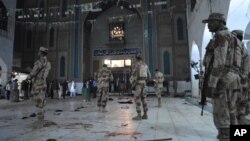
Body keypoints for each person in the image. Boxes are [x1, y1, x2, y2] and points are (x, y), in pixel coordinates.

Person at [202, 13, 242, 141]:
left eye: (211, 22)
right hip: (234, 79)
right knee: (232, 113)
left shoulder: (221, 36)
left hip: (222, 79)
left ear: (219, 22)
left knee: (221, 114)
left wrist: (213, 83)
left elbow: (219, 62)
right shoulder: (234, 38)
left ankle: (224, 138)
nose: (208, 25)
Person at [26, 46, 51, 129]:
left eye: (39, 52)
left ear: (41, 53)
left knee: (38, 102)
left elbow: (34, 71)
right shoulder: (48, 63)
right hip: (43, 83)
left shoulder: (39, 62)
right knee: (42, 102)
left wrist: (28, 77)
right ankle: (41, 121)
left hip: (38, 83)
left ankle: (39, 122)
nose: (38, 53)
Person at [231, 30, 250, 125]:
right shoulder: (244, 51)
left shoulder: (238, 51)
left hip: (239, 85)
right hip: (243, 85)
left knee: (237, 112)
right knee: (240, 112)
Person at [130, 53, 151, 120]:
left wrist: (132, 84)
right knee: (144, 98)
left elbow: (134, 76)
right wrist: (145, 82)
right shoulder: (145, 65)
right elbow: (149, 76)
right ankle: (145, 114)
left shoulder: (136, 65)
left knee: (137, 99)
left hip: (138, 84)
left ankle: (139, 115)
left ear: (136, 58)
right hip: (144, 84)